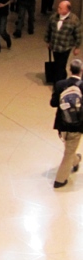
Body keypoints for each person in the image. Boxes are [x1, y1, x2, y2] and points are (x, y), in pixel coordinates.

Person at [50, 59, 83, 188]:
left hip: (62, 124)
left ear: (70, 70)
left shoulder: (60, 84)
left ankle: (76, 160)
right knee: (69, 152)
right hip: (77, 125)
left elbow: (53, 103)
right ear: (81, 71)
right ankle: (60, 180)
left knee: (69, 147)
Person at [45, 0, 82, 83]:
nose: (58, 9)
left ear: (67, 10)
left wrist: (77, 47)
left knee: (60, 66)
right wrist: (48, 41)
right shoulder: (54, 17)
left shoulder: (74, 20)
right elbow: (49, 29)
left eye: (60, 8)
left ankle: (58, 83)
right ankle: (62, 78)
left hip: (65, 47)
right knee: (58, 64)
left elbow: (78, 34)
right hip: (55, 45)